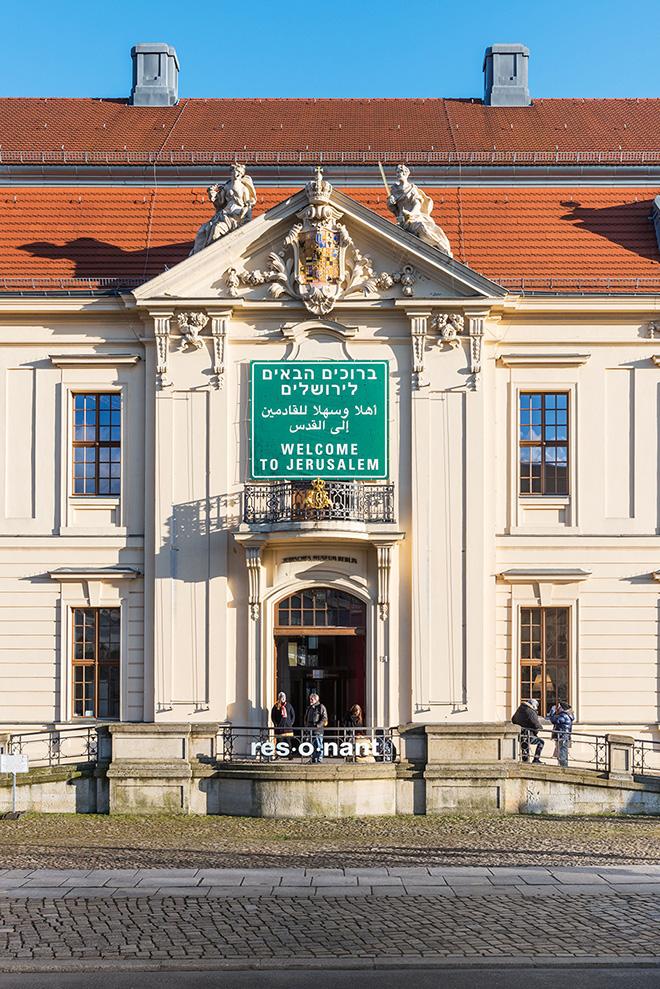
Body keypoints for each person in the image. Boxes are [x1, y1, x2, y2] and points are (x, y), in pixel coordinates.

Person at [512, 698, 545, 763]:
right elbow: (535, 723)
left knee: (524, 746)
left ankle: (525, 761)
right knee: (541, 742)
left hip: (520, 733)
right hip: (528, 733)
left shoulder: (520, 709)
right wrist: (540, 728)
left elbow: (513, 719)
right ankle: (536, 759)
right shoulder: (530, 710)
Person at [304, 692, 328, 764]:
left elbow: (324, 718)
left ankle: (319, 758)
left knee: (318, 744)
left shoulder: (321, 707)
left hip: (318, 730)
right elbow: (306, 717)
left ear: (316, 699)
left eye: (312, 699)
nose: (310, 700)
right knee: (312, 745)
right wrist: (306, 726)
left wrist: (318, 725)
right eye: (310, 699)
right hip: (310, 729)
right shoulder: (309, 708)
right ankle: (313, 758)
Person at [548, 700, 574, 768]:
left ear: (562, 708)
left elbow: (554, 720)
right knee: (562, 752)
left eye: (559, 707)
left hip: (562, 736)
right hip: (563, 736)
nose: (558, 708)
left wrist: (552, 712)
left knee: (562, 753)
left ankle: (564, 768)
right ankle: (563, 767)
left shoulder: (564, 715)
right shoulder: (566, 715)